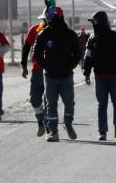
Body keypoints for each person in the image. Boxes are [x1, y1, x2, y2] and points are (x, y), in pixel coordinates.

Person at [33, 7, 81, 142]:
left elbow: (78, 53)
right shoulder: (43, 34)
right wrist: (45, 65)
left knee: (69, 102)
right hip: (50, 76)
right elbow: (36, 52)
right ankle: (53, 131)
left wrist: (70, 65)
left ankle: (68, 123)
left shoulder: (70, 34)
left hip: (66, 75)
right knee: (51, 104)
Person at [83, 11, 116, 141]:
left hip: (115, 77)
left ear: (102, 22)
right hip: (100, 76)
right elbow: (88, 57)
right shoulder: (92, 39)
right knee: (102, 105)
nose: (93, 24)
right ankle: (102, 131)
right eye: (92, 22)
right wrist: (86, 72)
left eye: (95, 22)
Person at [21, 13, 48, 136]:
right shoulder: (36, 29)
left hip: (52, 71)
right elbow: (26, 47)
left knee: (49, 100)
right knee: (34, 99)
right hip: (37, 70)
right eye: (45, 19)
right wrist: (23, 65)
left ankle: (50, 126)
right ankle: (40, 121)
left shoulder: (59, 31)